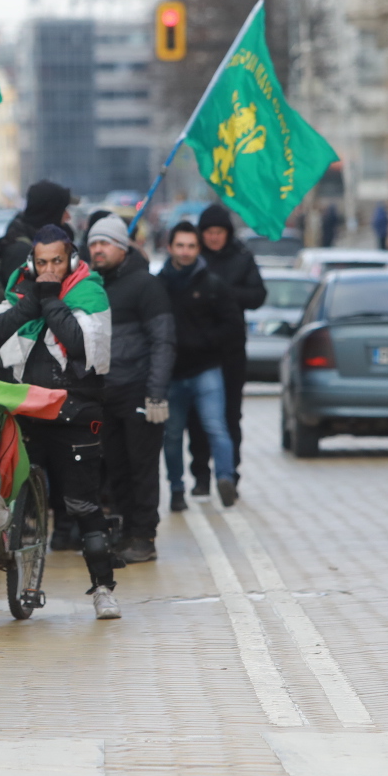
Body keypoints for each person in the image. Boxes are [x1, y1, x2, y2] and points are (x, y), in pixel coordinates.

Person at [0, 226, 121, 618]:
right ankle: (7, 570)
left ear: (72, 260)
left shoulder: (90, 291)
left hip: (76, 412)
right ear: (32, 261)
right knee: (11, 496)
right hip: (26, 409)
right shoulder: (20, 289)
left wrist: (49, 301)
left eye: (56, 262)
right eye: (41, 262)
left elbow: (80, 343)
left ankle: (102, 587)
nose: (48, 270)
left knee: (81, 502)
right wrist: (32, 303)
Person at [87, 214, 174, 564]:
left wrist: (155, 393)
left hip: (138, 391)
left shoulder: (145, 286)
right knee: (116, 467)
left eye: (105, 243)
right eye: (93, 243)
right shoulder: (93, 286)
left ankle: (144, 536)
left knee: (142, 467)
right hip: (105, 394)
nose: (98, 250)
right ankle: (125, 532)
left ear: (122, 247)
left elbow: (164, 341)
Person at [160, 223, 242, 509]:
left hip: (206, 370)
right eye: (180, 245)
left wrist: (205, 341)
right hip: (171, 374)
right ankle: (177, 489)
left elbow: (232, 324)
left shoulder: (212, 284)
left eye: (191, 246)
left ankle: (225, 478)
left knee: (216, 427)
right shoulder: (159, 284)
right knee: (171, 436)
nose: (185, 252)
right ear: (170, 247)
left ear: (198, 249)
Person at [192, 203, 266, 492]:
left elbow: (258, 295)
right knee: (197, 418)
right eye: (208, 232)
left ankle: (230, 473)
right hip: (197, 349)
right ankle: (200, 475)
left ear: (227, 232)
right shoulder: (193, 258)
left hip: (231, 350)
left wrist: (223, 294)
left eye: (218, 232)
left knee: (230, 415)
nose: (213, 237)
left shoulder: (242, 258)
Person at [0, 180, 72, 284]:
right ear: (50, 212)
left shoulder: (44, 239)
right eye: (63, 210)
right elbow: (19, 295)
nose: (68, 216)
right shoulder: (20, 251)